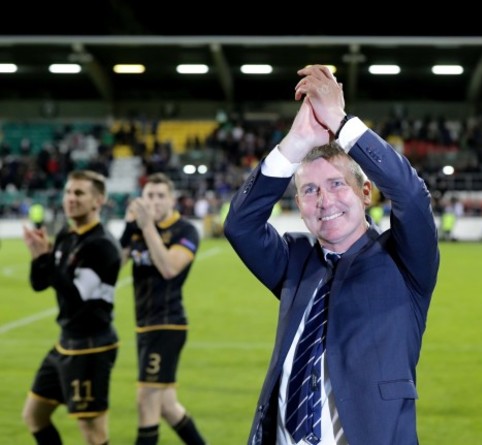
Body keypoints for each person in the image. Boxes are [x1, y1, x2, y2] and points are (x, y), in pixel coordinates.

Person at [224, 65, 439, 444]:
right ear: (299, 206)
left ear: (366, 193)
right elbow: (240, 225)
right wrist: (296, 140)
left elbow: (412, 197)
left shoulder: (404, 262)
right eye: (309, 191)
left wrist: (341, 123)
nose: (324, 201)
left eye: (337, 184)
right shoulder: (295, 261)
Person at [21, 170, 121, 445]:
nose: (70, 198)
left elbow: (78, 299)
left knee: (93, 434)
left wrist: (48, 262)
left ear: (98, 200)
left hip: (92, 346)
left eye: (79, 193)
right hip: (66, 342)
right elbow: (40, 284)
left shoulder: (102, 246)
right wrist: (38, 257)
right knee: (34, 416)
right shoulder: (66, 234)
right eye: (68, 192)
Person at [119, 172, 207, 445]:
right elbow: (112, 271)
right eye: (149, 195)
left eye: (160, 196)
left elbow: (169, 268)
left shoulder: (185, 230)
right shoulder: (137, 229)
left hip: (167, 324)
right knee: (168, 407)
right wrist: (128, 229)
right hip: (145, 324)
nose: (154, 201)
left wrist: (147, 228)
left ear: (171, 200)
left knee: (146, 401)